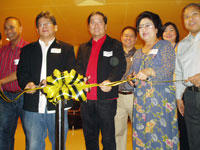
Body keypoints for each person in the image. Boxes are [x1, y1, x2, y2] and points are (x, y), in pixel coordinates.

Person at [17, 11, 76, 150]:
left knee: (59, 145)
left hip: (58, 107)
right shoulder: (27, 49)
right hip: (33, 107)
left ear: (55, 27)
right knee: (33, 146)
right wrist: (27, 83)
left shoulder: (66, 49)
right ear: (36, 29)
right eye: (40, 24)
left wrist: (53, 82)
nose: (44, 26)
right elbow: (21, 72)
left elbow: (70, 74)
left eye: (48, 23)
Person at [125, 11, 179, 149]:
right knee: (142, 137)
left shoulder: (164, 46)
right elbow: (133, 74)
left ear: (156, 28)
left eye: (147, 25)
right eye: (141, 27)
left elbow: (168, 70)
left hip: (160, 101)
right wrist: (131, 79)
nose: (143, 29)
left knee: (161, 136)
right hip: (141, 102)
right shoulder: (138, 52)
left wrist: (150, 71)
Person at [76, 11, 126, 150]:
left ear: (105, 25)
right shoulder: (83, 47)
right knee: (90, 137)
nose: (96, 25)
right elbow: (78, 67)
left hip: (106, 99)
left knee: (108, 138)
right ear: (88, 26)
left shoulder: (115, 44)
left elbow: (120, 66)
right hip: (86, 100)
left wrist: (110, 80)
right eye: (92, 22)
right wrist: (82, 79)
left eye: (99, 22)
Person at [0, 17, 28, 150]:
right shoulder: (2, 51)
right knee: (4, 133)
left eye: (12, 27)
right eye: (6, 28)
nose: (8, 31)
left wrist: (2, 81)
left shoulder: (29, 49)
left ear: (20, 29)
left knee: (30, 133)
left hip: (24, 97)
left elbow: (21, 72)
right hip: (4, 98)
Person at [175, 3, 200, 150]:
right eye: (186, 16)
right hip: (189, 97)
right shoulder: (182, 44)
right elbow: (178, 73)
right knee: (194, 140)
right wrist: (179, 97)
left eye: (194, 14)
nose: (190, 19)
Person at [162, 22, 189, 150]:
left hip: (182, 92)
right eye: (165, 31)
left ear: (176, 33)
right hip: (164, 94)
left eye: (171, 30)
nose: (168, 33)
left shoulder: (183, 47)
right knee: (166, 126)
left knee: (184, 126)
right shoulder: (159, 51)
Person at [114, 26, 137, 150]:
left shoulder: (140, 54)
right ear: (121, 37)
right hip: (118, 98)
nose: (128, 38)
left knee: (138, 130)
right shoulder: (115, 54)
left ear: (136, 38)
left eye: (131, 36)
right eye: (126, 35)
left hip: (135, 97)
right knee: (118, 131)